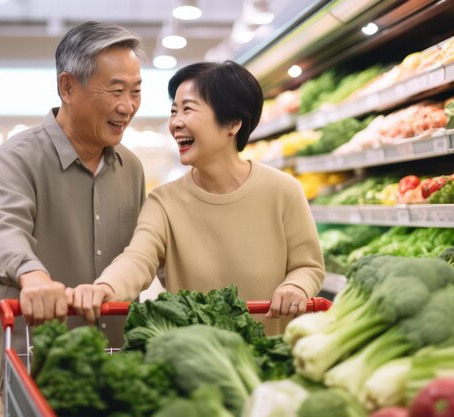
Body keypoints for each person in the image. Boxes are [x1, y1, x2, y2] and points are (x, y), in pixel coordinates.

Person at [69, 61, 325, 337]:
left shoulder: (283, 190)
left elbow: (307, 266)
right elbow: (137, 259)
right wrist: (105, 287)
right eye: (173, 111)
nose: (176, 123)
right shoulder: (164, 202)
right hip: (197, 363)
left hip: (269, 361)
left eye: (188, 109)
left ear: (233, 123)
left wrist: (296, 287)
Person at [0, 21, 146, 413]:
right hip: (39, 364)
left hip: (116, 363)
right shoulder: (17, 159)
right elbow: (5, 232)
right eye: (116, 90)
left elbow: (144, 249)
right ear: (67, 87)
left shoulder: (132, 168)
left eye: (136, 91)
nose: (128, 106)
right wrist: (33, 276)